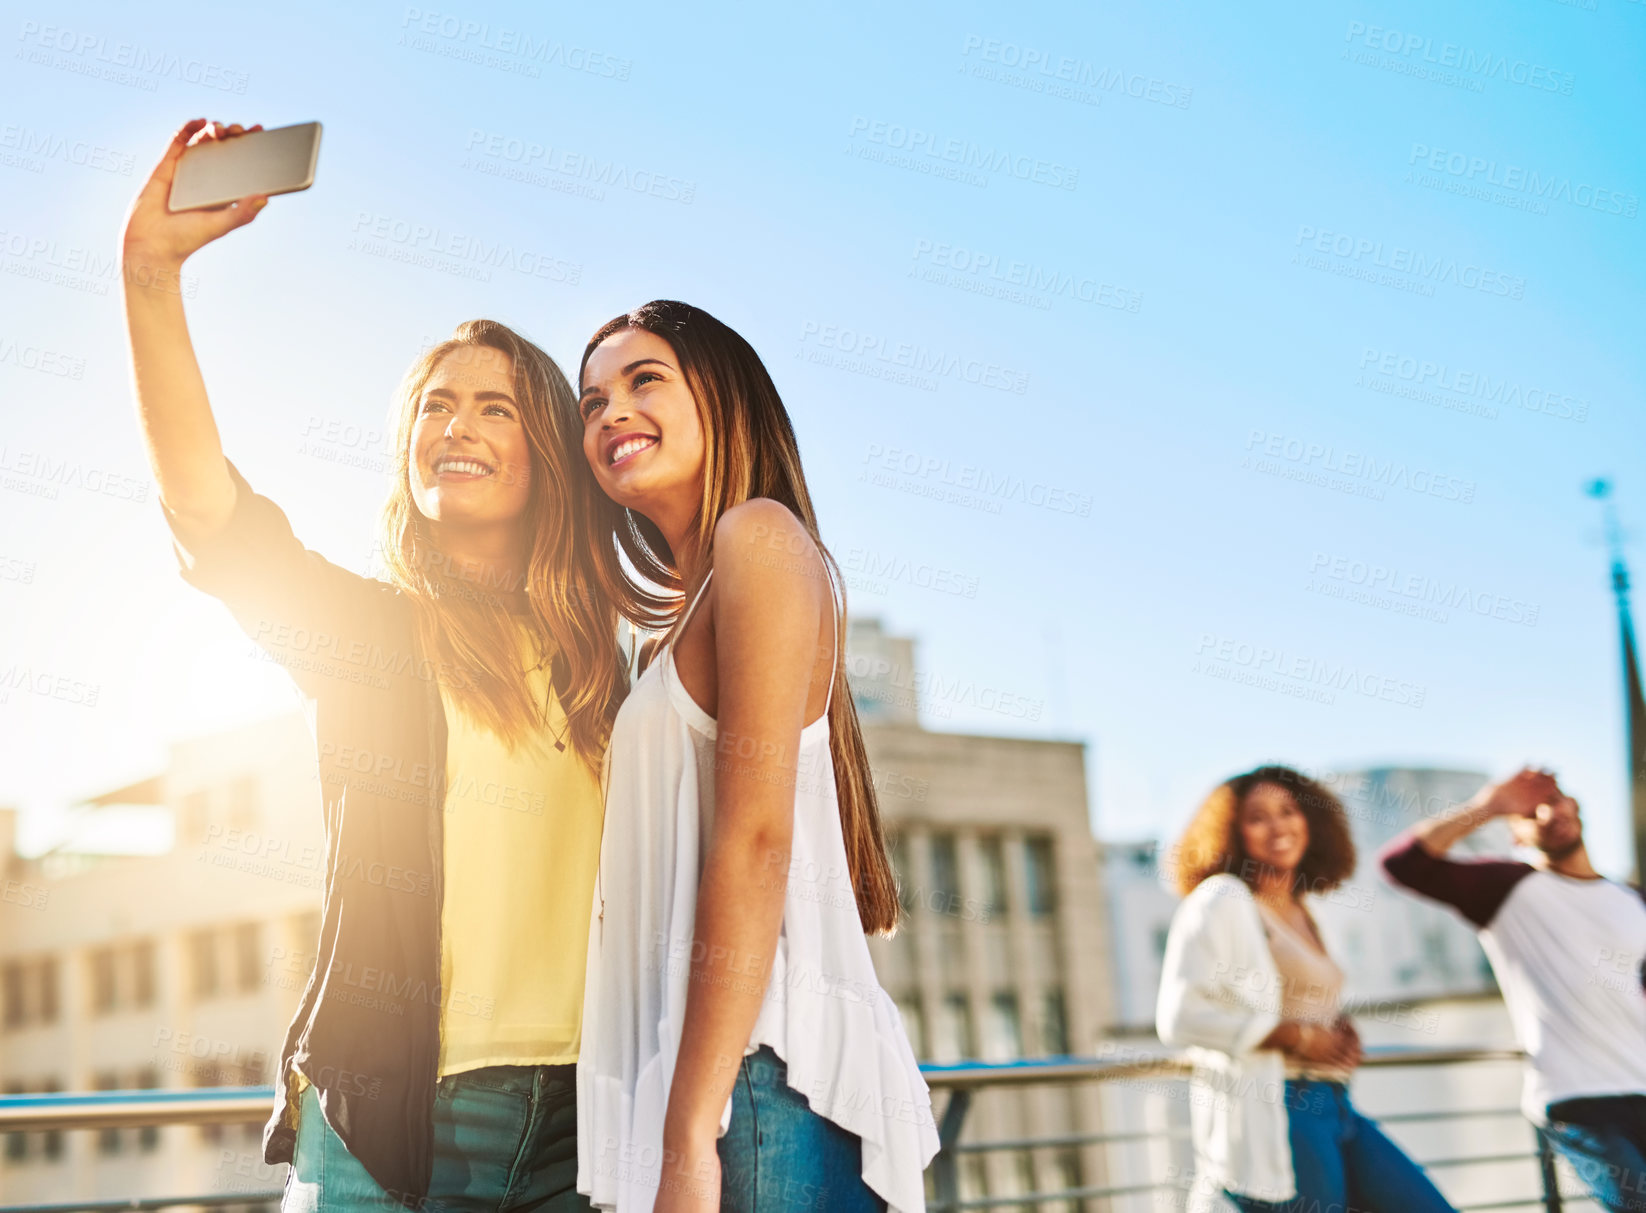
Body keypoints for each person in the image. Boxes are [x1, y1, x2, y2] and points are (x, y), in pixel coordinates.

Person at [122, 119, 626, 1210]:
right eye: (435, 405)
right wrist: (151, 273)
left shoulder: (607, 658)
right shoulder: (370, 637)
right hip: (403, 1111)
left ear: (546, 444)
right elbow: (210, 509)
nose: (458, 423)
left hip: (590, 1116)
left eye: (495, 405)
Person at [570, 301, 939, 1212]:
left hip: (754, 1087)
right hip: (712, 1081)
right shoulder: (664, 635)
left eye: (643, 379)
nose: (610, 411)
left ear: (724, 395)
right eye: (590, 402)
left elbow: (757, 839)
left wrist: (690, 1130)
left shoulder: (759, 537)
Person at [1156, 765, 1456, 1213]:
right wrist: (1296, 1036)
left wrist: (1336, 1030)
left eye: (1289, 811)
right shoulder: (1223, 899)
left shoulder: (1305, 908)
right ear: (1231, 833)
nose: (1278, 826)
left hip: (1336, 1104)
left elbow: (1293, 999)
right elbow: (1179, 1018)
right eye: (1257, 817)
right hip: (1280, 1108)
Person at [1380, 767, 1646, 1213]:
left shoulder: (1631, 898)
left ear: (1576, 809)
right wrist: (1489, 806)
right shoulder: (1505, 887)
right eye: (1529, 812)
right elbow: (1403, 864)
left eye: (1556, 800)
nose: (1547, 812)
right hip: (1578, 1100)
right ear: (1517, 837)